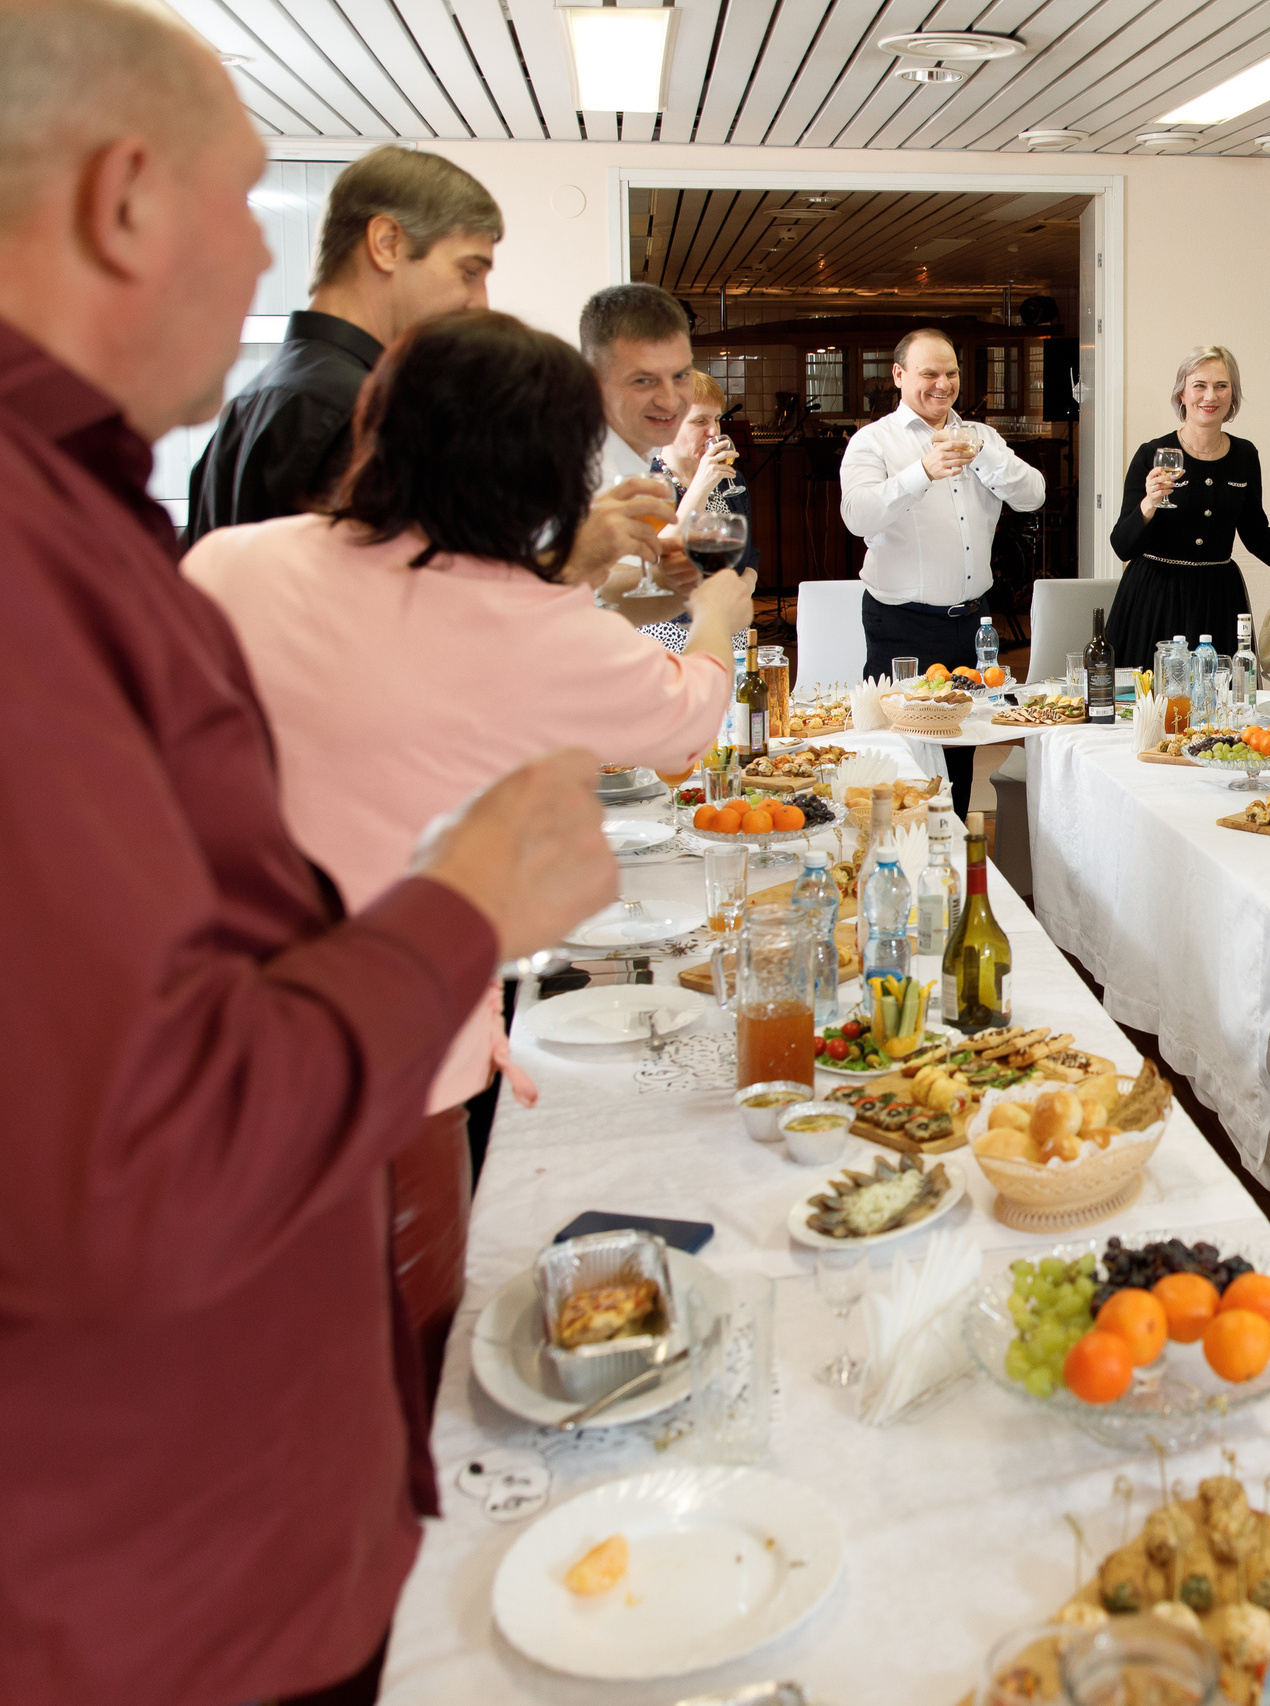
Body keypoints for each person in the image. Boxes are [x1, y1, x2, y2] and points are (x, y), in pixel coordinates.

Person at [0, 6, 616, 1703]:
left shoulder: (89, 506)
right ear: (127, 199)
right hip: (148, 1584)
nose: (265, 262)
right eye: (247, 196)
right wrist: (466, 902)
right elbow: (136, 1151)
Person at [184, 309, 746, 1399]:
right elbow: (685, 720)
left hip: (206, 1041)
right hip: (397, 1049)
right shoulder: (524, 619)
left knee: (245, 1365)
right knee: (398, 1367)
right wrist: (717, 611)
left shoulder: (229, 563)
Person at [182, 144, 501, 544]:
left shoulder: (250, 403)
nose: (480, 303)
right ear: (387, 243)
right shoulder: (363, 413)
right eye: (469, 272)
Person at [840, 327, 1046, 816]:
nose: (942, 383)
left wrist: (987, 455)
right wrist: (921, 473)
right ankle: (895, 869)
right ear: (899, 375)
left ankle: (951, 868)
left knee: (962, 749)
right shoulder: (873, 442)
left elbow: (1033, 494)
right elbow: (858, 517)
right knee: (902, 757)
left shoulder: (984, 438)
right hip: (901, 625)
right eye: (929, 373)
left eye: (950, 373)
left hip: (974, 625)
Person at [1106, 345, 1270, 663]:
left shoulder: (1245, 455)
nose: (1210, 396)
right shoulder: (1152, 453)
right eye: (1199, 386)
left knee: (1222, 702)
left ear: (1232, 396)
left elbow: (1258, 537)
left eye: (1221, 386)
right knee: (1150, 704)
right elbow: (1122, 545)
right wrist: (1149, 503)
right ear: (1182, 395)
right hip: (1155, 600)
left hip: (1218, 598)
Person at [579, 280, 703, 629]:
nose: (670, 399)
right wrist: (712, 613)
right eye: (643, 381)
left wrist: (674, 584)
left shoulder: (640, 453)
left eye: (681, 375)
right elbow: (594, 596)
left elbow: (616, 601)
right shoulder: (581, 465)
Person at [638, 367, 757, 653]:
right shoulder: (646, 484)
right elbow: (656, 556)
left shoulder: (731, 479)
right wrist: (700, 487)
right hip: (668, 635)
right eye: (700, 421)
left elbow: (749, 552)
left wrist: (744, 587)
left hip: (729, 629)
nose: (714, 431)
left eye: (717, 419)